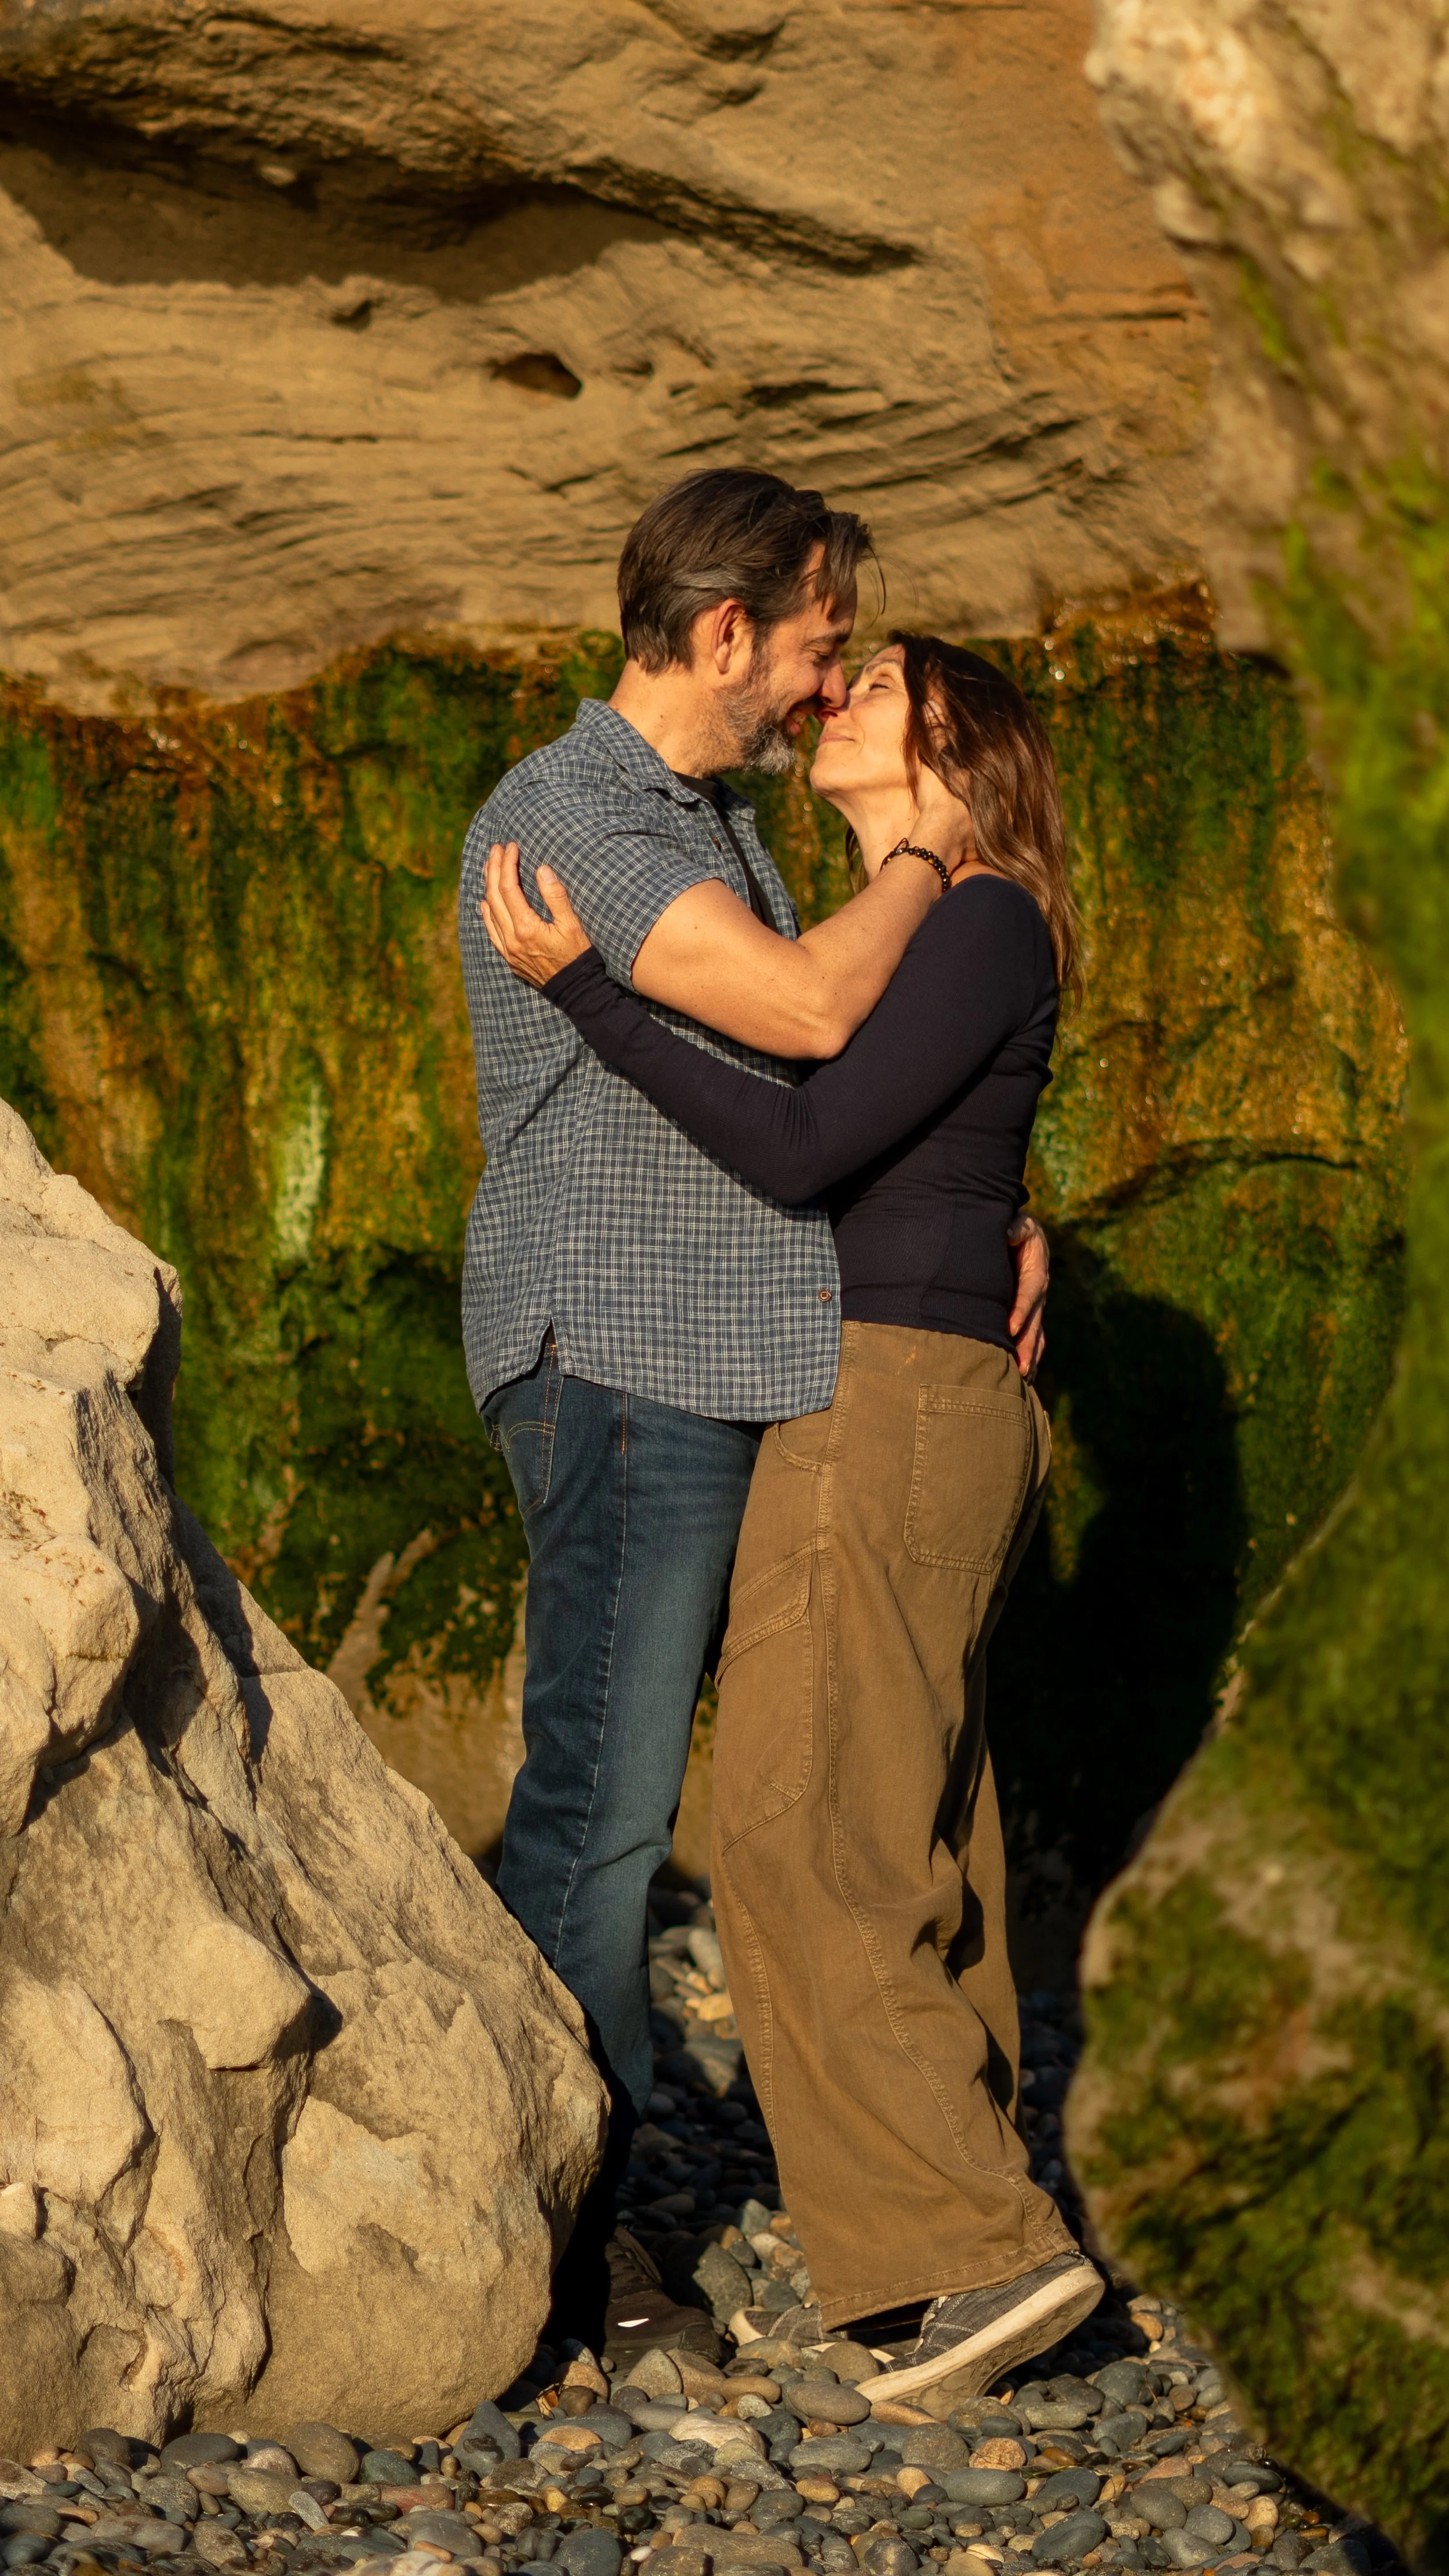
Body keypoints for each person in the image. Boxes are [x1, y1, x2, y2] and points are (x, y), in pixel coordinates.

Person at [456, 468, 1048, 2356]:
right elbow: (800, 1027)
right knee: (609, 1815)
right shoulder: (585, 812)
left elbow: (857, 1099)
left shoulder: (712, 823)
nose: (818, 686)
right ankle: (579, 2241)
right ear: (728, 634)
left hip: (751, 1366)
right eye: (814, 648)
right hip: (623, 1355)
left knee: (821, 1803)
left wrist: (987, 1204)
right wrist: (923, 863)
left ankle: (933, 2198)